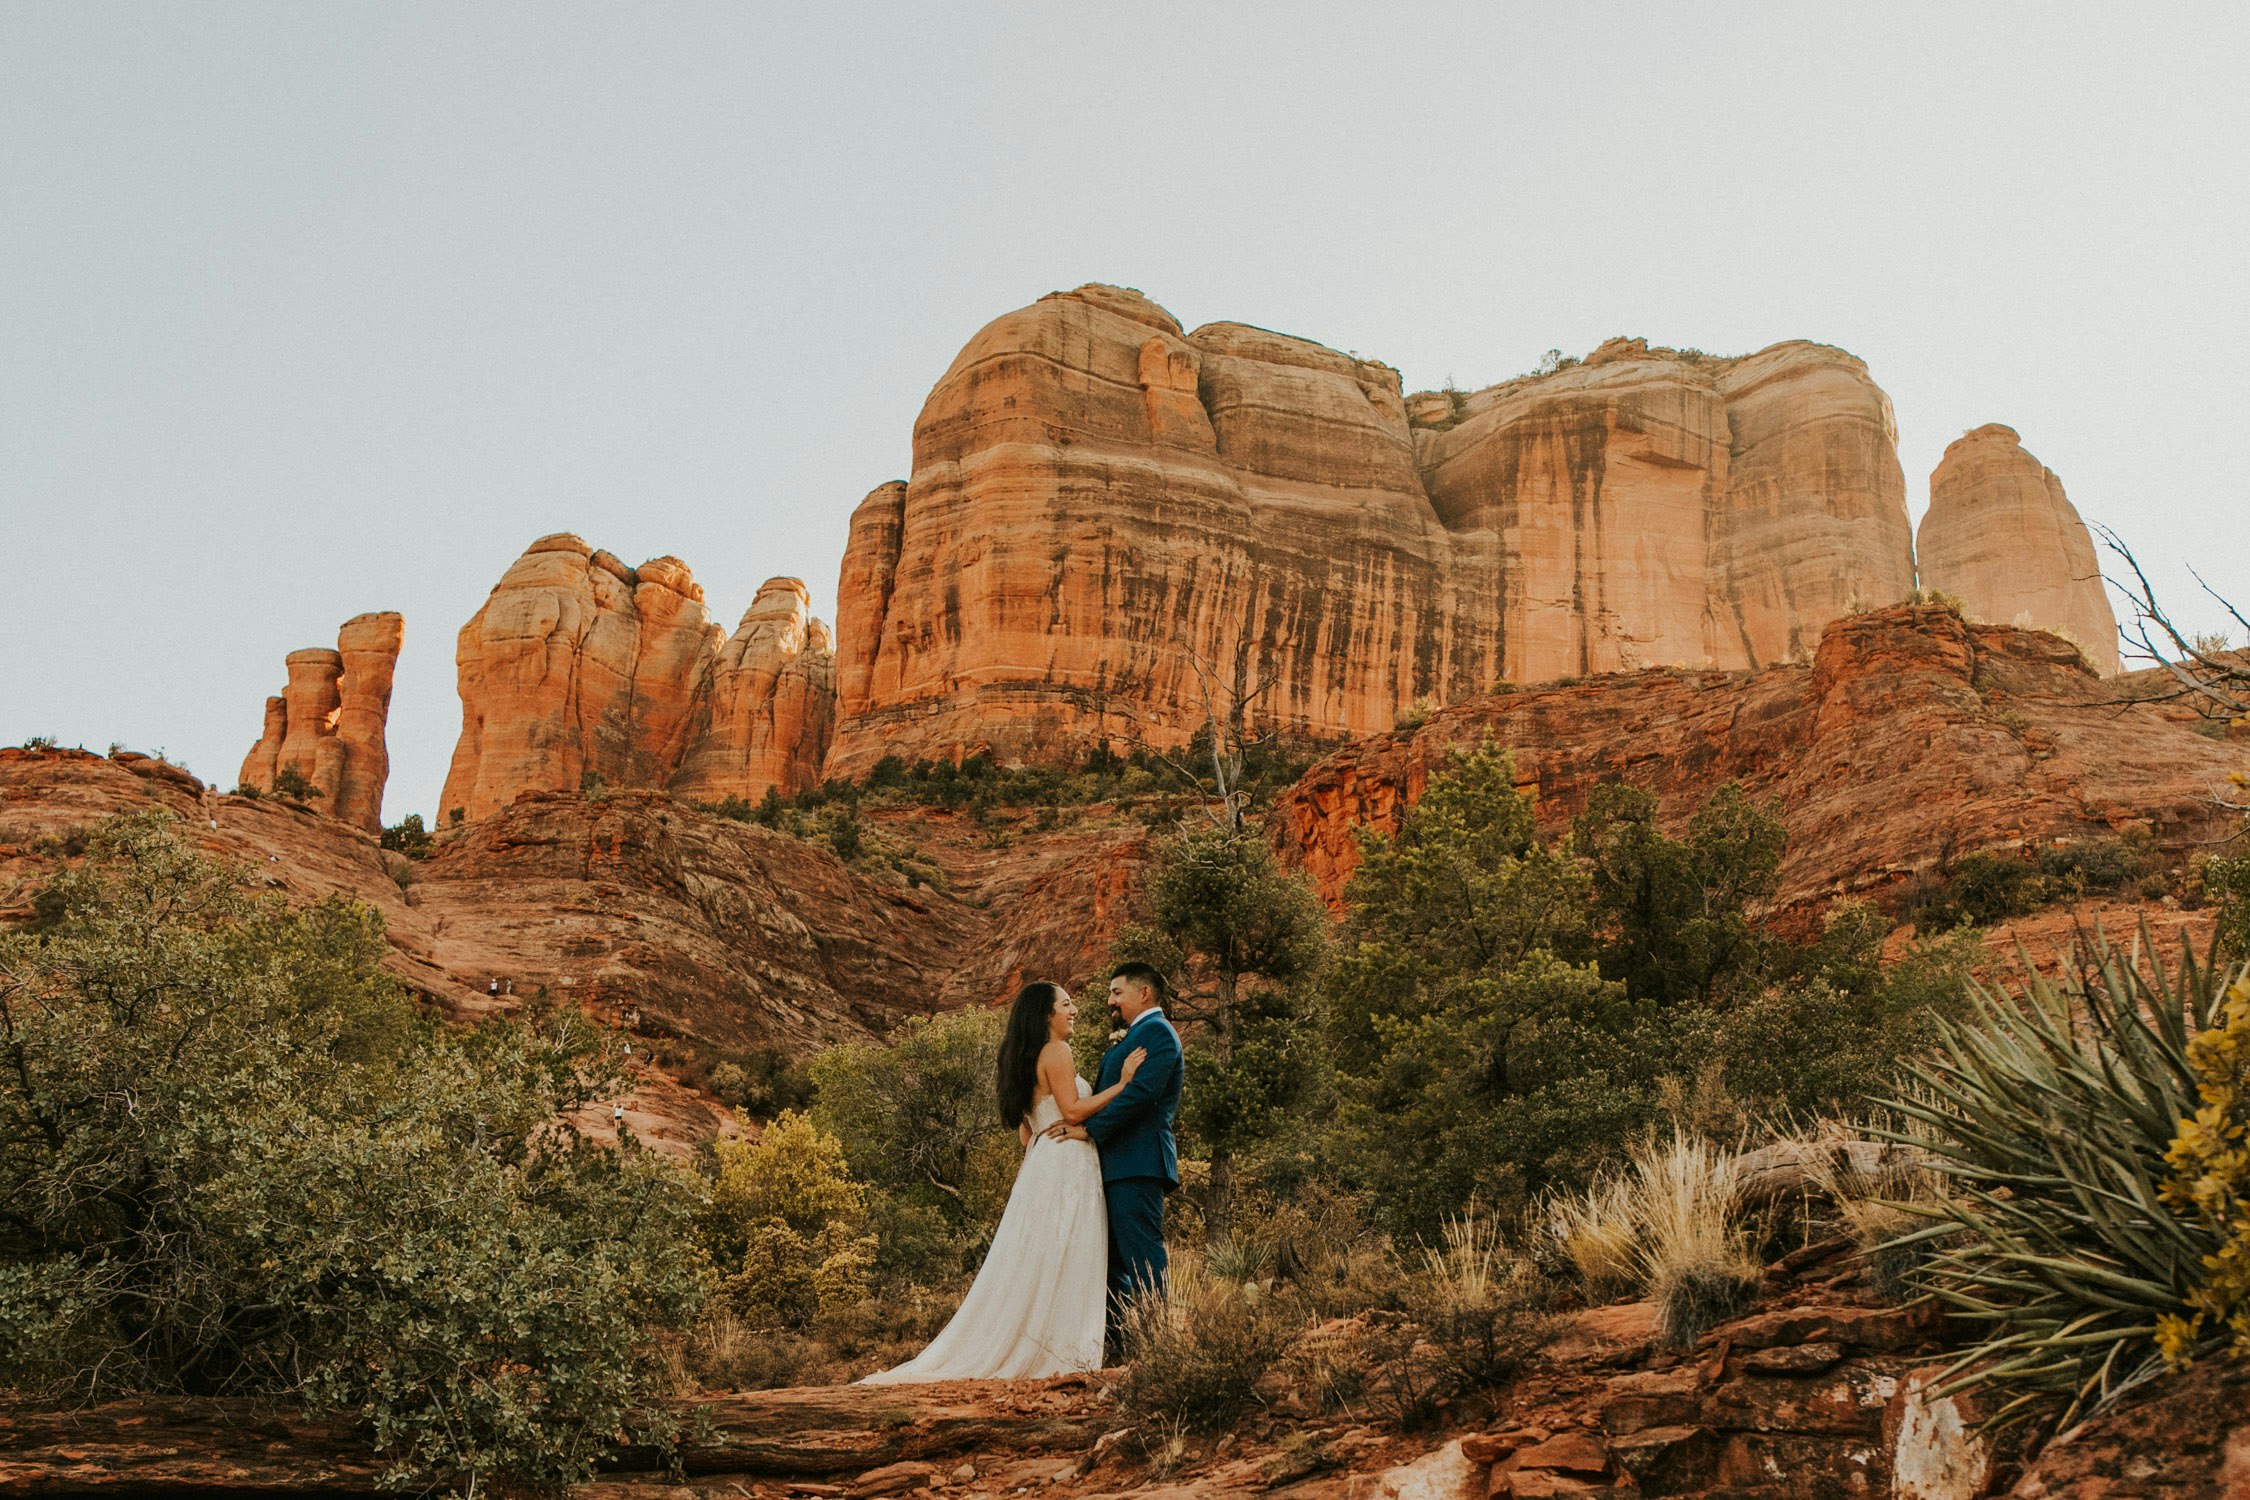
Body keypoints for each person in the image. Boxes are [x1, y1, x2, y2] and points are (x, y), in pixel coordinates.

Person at [861, 981, 1147, 1382]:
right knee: (1069, 1250)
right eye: (1066, 1004)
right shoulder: (1057, 1051)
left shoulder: (1021, 1059)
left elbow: (1026, 1134)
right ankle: (1062, 1347)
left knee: (1038, 1254)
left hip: (1041, 1163)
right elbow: (1074, 1111)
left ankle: (1034, 1338)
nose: (1074, 1010)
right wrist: (1124, 1083)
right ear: (1047, 1014)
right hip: (1067, 1163)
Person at [1063, 961, 1182, 1336]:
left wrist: (1091, 1130)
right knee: (1112, 1260)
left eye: (1117, 992)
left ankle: (1159, 1338)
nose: (1110, 1001)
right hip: (1116, 1164)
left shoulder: (1158, 1033)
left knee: (1143, 1254)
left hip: (1138, 1162)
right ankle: (1114, 1339)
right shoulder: (1134, 1034)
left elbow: (1142, 1095)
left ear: (1143, 993)